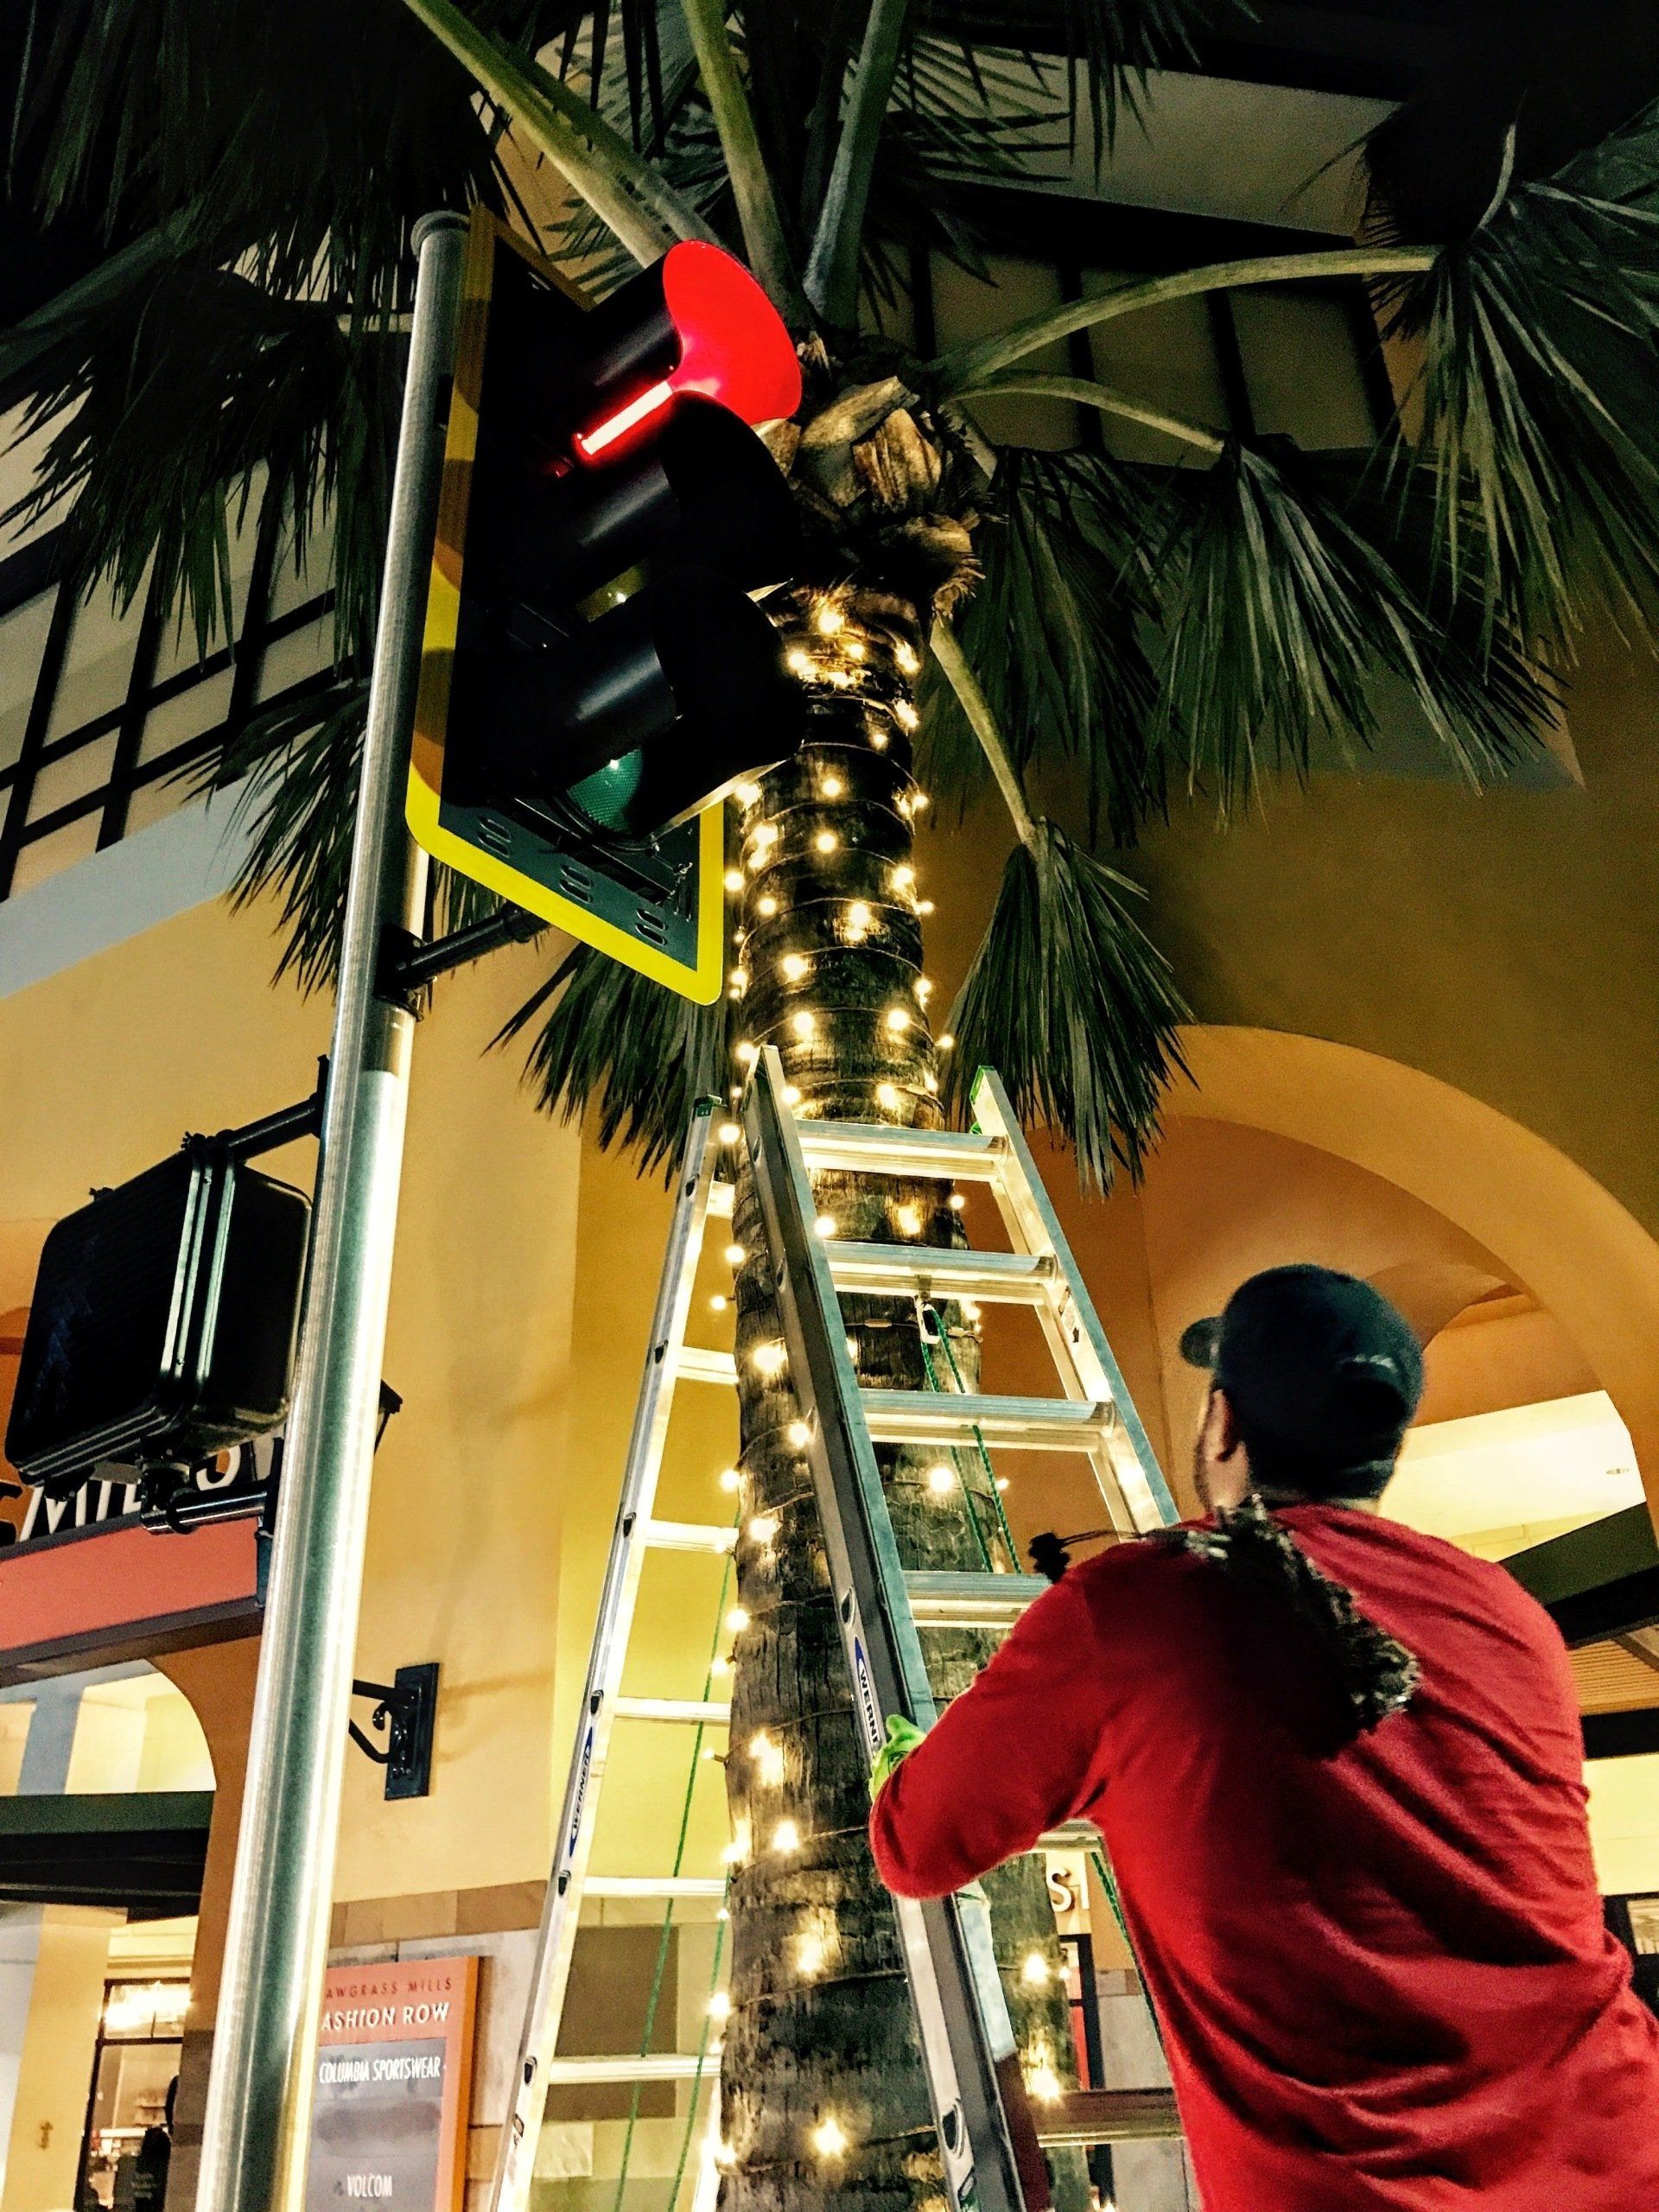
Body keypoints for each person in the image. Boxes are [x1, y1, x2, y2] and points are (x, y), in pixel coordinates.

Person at [869, 1264, 1659, 2212]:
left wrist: (902, 1759)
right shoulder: (1512, 1620)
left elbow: (916, 1843)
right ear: (1381, 1451)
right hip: (1621, 2162)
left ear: (1224, 1423)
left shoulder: (1138, 1608)